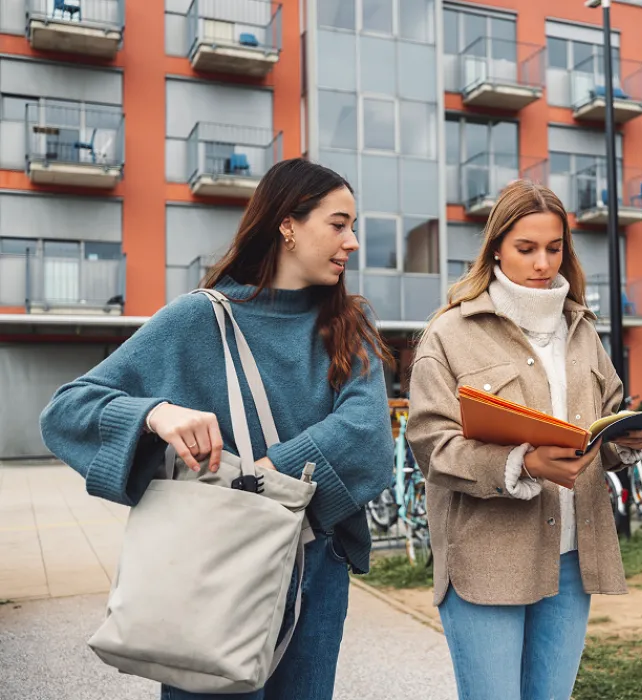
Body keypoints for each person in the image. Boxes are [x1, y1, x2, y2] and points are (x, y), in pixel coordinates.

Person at [39, 159, 395, 700]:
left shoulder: (349, 328)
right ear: (288, 224)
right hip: (212, 569)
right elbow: (66, 411)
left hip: (314, 570)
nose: (354, 242)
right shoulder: (197, 320)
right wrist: (156, 414)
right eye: (339, 224)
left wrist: (265, 481)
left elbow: (368, 436)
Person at [406, 180, 642, 700]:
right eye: (526, 248)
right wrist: (524, 463)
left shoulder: (582, 330)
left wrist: (626, 439)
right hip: (485, 561)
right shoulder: (449, 334)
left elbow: (600, 426)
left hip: (571, 559)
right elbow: (432, 446)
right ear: (496, 246)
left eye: (555, 248)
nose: (543, 263)